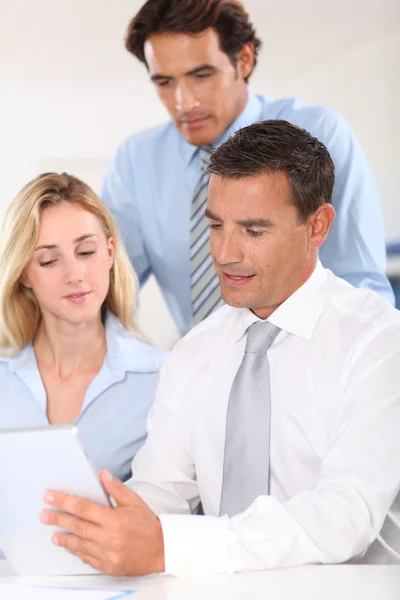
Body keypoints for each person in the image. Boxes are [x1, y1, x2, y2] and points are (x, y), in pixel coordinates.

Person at [40, 121, 400, 576]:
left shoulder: (380, 342)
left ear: (317, 227)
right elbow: (159, 491)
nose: (225, 253)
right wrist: (101, 526)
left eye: (253, 231)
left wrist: (173, 547)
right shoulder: (195, 352)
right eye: (215, 225)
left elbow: (346, 515)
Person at [102, 0, 394, 336]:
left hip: (314, 364)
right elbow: (110, 288)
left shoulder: (321, 134)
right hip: (202, 371)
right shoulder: (136, 162)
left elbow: (361, 285)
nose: (184, 102)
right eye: (165, 82)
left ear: (243, 59)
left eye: (201, 76)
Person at [0, 173, 167, 482]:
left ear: (109, 252)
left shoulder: (162, 379)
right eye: (49, 260)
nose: (74, 274)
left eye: (86, 252)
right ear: (24, 274)